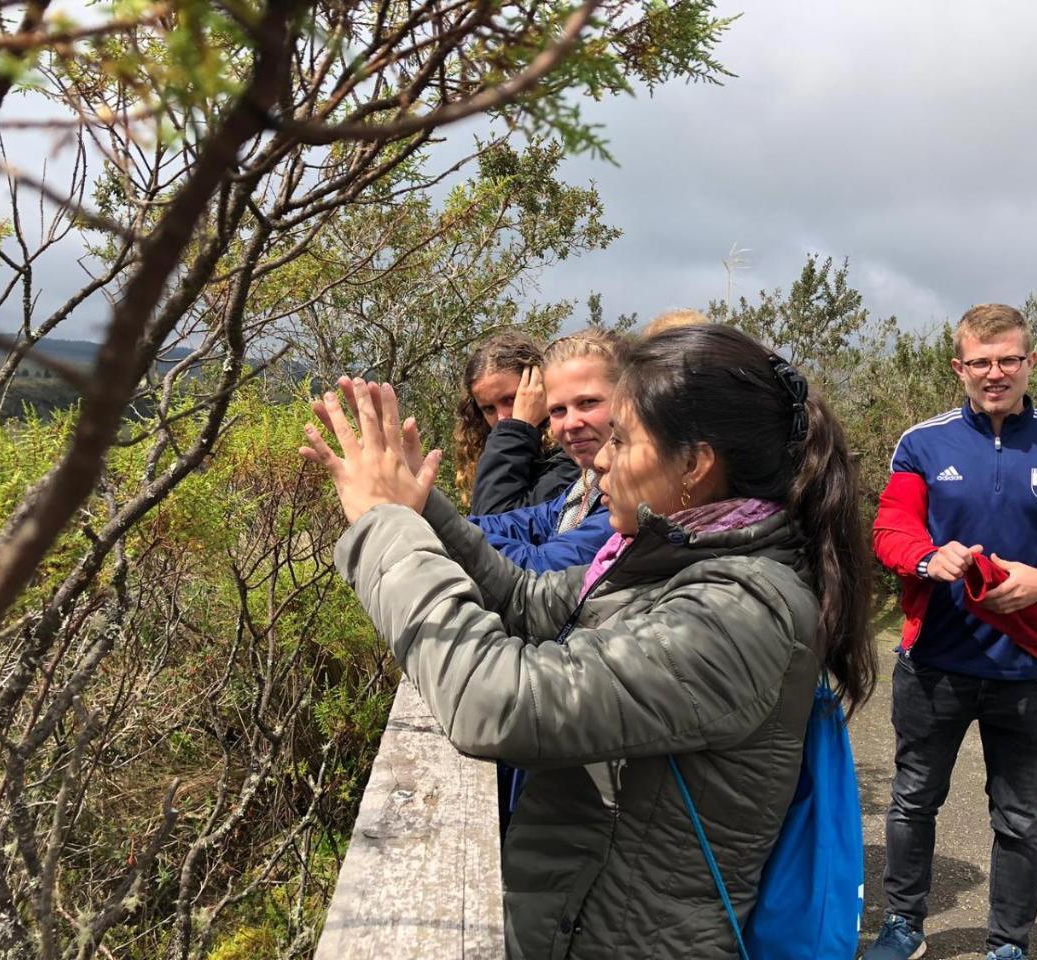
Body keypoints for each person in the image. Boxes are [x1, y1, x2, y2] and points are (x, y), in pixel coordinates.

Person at [299, 324, 876, 959]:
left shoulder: (738, 610)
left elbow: (501, 704)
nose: (599, 458)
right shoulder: (671, 558)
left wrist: (385, 530)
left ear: (694, 466)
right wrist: (422, 510)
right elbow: (528, 600)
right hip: (585, 919)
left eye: (622, 440)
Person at [863, 304, 1037, 960]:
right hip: (936, 663)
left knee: (1020, 819)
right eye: (980, 361)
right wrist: (929, 557)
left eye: (1009, 359)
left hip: (1029, 668)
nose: (995, 372)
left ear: (1031, 362)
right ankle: (903, 926)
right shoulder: (923, 442)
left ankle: (1008, 943)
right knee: (913, 801)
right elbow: (891, 529)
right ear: (960, 368)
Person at [467, 329, 621, 574]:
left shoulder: (624, 490)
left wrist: (516, 429)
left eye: (588, 402)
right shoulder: (584, 483)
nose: (503, 416)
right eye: (558, 409)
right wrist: (425, 512)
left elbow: (539, 567)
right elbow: (516, 523)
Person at [454, 331, 577, 513]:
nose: (502, 418)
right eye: (489, 409)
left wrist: (515, 430)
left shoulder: (573, 452)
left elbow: (495, 524)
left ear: (540, 389)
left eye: (511, 399)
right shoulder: (501, 453)